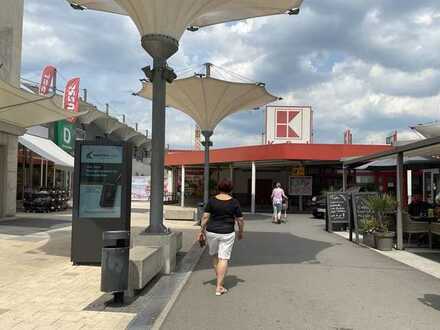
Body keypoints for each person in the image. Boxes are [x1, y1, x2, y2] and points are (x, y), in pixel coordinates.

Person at [197, 178, 244, 296]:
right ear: (230, 189)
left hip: (212, 232)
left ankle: (219, 280)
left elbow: (205, 217)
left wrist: (201, 230)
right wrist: (241, 232)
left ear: (219, 187)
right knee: (224, 258)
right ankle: (219, 286)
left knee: (215, 256)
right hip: (227, 232)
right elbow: (240, 219)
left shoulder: (212, 200)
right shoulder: (234, 202)